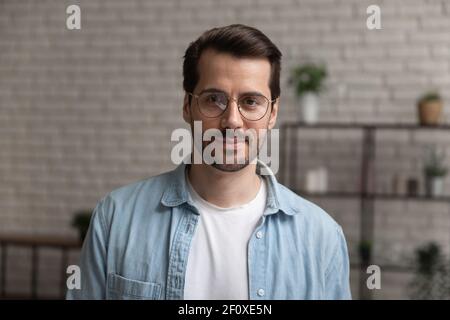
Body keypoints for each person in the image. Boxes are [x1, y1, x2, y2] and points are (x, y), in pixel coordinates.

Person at [66, 24, 351, 300]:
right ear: (187, 106)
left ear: (272, 113)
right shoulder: (115, 218)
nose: (232, 121)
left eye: (251, 101)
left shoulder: (322, 237)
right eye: (214, 99)